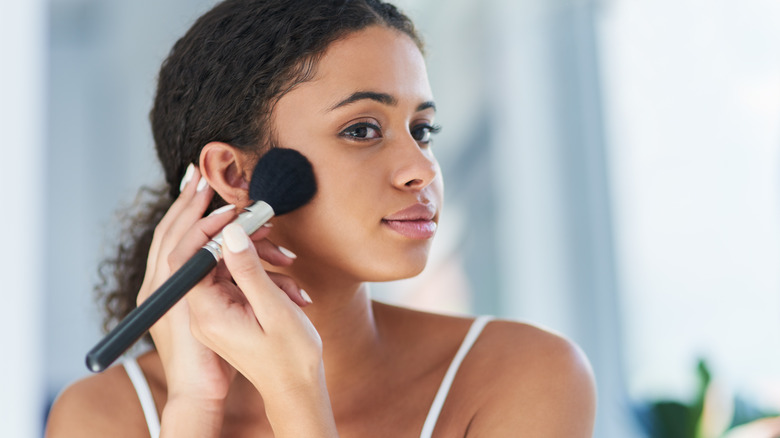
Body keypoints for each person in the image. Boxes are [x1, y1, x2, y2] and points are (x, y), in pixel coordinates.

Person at [45, 0, 596, 436]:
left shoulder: (525, 376)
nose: (420, 170)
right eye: (362, 130)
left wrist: (295, 394)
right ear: (235, 176)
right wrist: (194, 405)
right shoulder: (101, 418)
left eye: (422, 130)